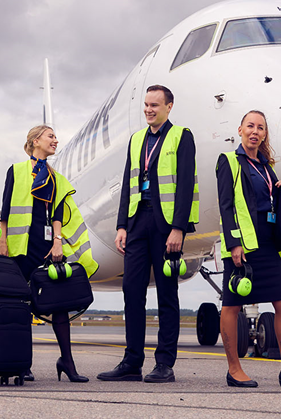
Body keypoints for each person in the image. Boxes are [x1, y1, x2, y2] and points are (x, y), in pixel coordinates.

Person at [98, 85, 198, 383]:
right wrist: (121, 226)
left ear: (169, 106)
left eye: (154, 105)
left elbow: (185, 185)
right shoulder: (136, 139)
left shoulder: (182, 136)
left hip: (166, 224)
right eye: (146, 105)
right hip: (137, 221)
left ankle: (165, 363)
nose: (148, 110)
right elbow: (128, 184)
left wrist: (179, 228)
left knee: (167, 293)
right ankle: (132, 361)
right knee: (132, 291)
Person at [217, 110, 281, 388]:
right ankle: (234, 369)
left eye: (260, 128)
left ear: (264, 134)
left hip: (268, 243)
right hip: (244, 244)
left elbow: (269, 205)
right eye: (250, 126)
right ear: (240, 130)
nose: (255, 131)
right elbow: (226, 205)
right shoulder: (229, 161)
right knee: (232, 304)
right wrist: (235, 243)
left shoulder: (265, 166)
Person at [0, 125, 99, 382]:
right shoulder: (17, 171)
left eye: (55, 137)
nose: (56, 140)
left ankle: (67, 362)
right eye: (51, 136)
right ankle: (22, 364)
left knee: (59, 304)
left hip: (46, 247)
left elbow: (57, 215)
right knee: (20, 307)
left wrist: (57, 242)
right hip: (20, 247)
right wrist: (3, 241)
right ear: (35, 140)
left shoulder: (55, 177)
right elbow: (6, 209)